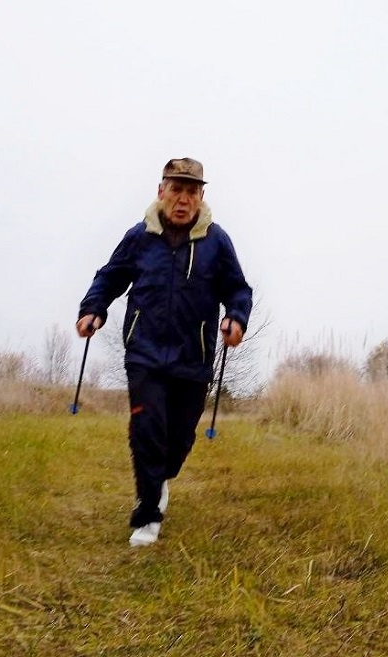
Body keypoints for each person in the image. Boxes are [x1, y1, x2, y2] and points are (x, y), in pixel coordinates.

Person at [76, 157, 253, 547]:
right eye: (176, 189)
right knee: (147, 428)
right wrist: (93, 309)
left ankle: (159, 479)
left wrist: (236, 318)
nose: (183, 199)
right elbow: (110, 277)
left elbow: (237, 289)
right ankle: (147, 512)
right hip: (145, 353)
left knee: (178, 440)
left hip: (193, 356)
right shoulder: (139, 237)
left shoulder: (216, 241)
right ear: (161, 192)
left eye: (191, 191)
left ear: (201, 197)